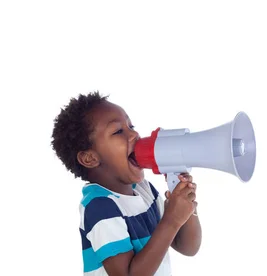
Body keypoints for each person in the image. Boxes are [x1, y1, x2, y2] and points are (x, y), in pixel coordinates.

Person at [51, 91, 202, 275]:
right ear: (90, 158)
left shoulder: (143, 190)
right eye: (118, 131)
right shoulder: (99, 206)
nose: (134, 134)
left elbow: (188, 247)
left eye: (131, 126)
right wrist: (171, 219)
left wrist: (186, 206)